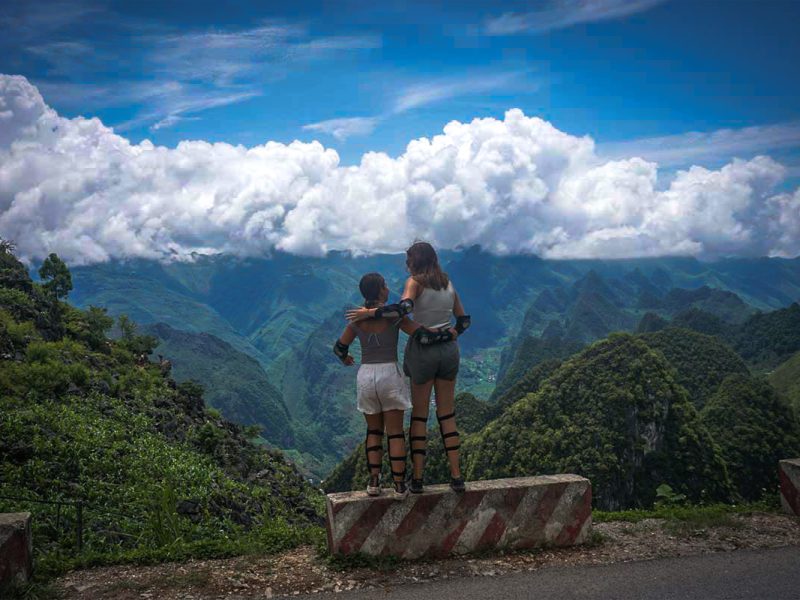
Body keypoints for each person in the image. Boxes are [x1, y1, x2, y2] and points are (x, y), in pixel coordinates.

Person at [347, 242, 471, 494]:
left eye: (408, 259)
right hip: (449, 352)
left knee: (420, 417)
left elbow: (404, 309)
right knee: (447, 415)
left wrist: (371, 313)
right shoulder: (448, 284)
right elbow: (464, 320)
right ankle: (457, 476)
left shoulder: (414, 282)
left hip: (423, 352)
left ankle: (417, 478)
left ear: (416, 261)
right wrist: (452, 334)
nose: (406, 264)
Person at [334, 272, 427, 499]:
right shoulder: (393, 317)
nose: (388, 288)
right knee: (395, 433)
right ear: (380, 291)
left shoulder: (356, 319)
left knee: (373, 431)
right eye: (385, 285)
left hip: (366, 375)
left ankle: (374, 482)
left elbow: (339, 348)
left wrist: (346, 359)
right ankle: (398, 485)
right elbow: (418, 332)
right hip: (389, 374)